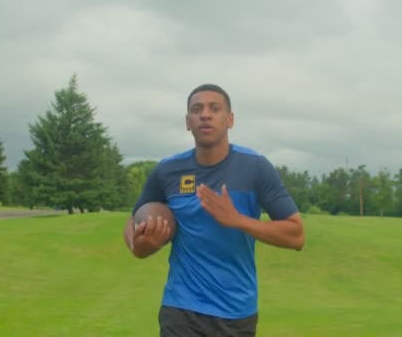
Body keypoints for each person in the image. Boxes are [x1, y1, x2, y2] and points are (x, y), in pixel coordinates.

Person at [123, 84, 305, 336]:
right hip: (180, 308)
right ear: (188, 122)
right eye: (197, 109)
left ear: (230, 119)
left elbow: (296, 235)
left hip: (236, 312)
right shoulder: (167, 170)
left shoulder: (256, 167)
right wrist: (139, 245)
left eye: (214, 108)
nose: (205, 115)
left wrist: (238, 220)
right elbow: (134, 219)